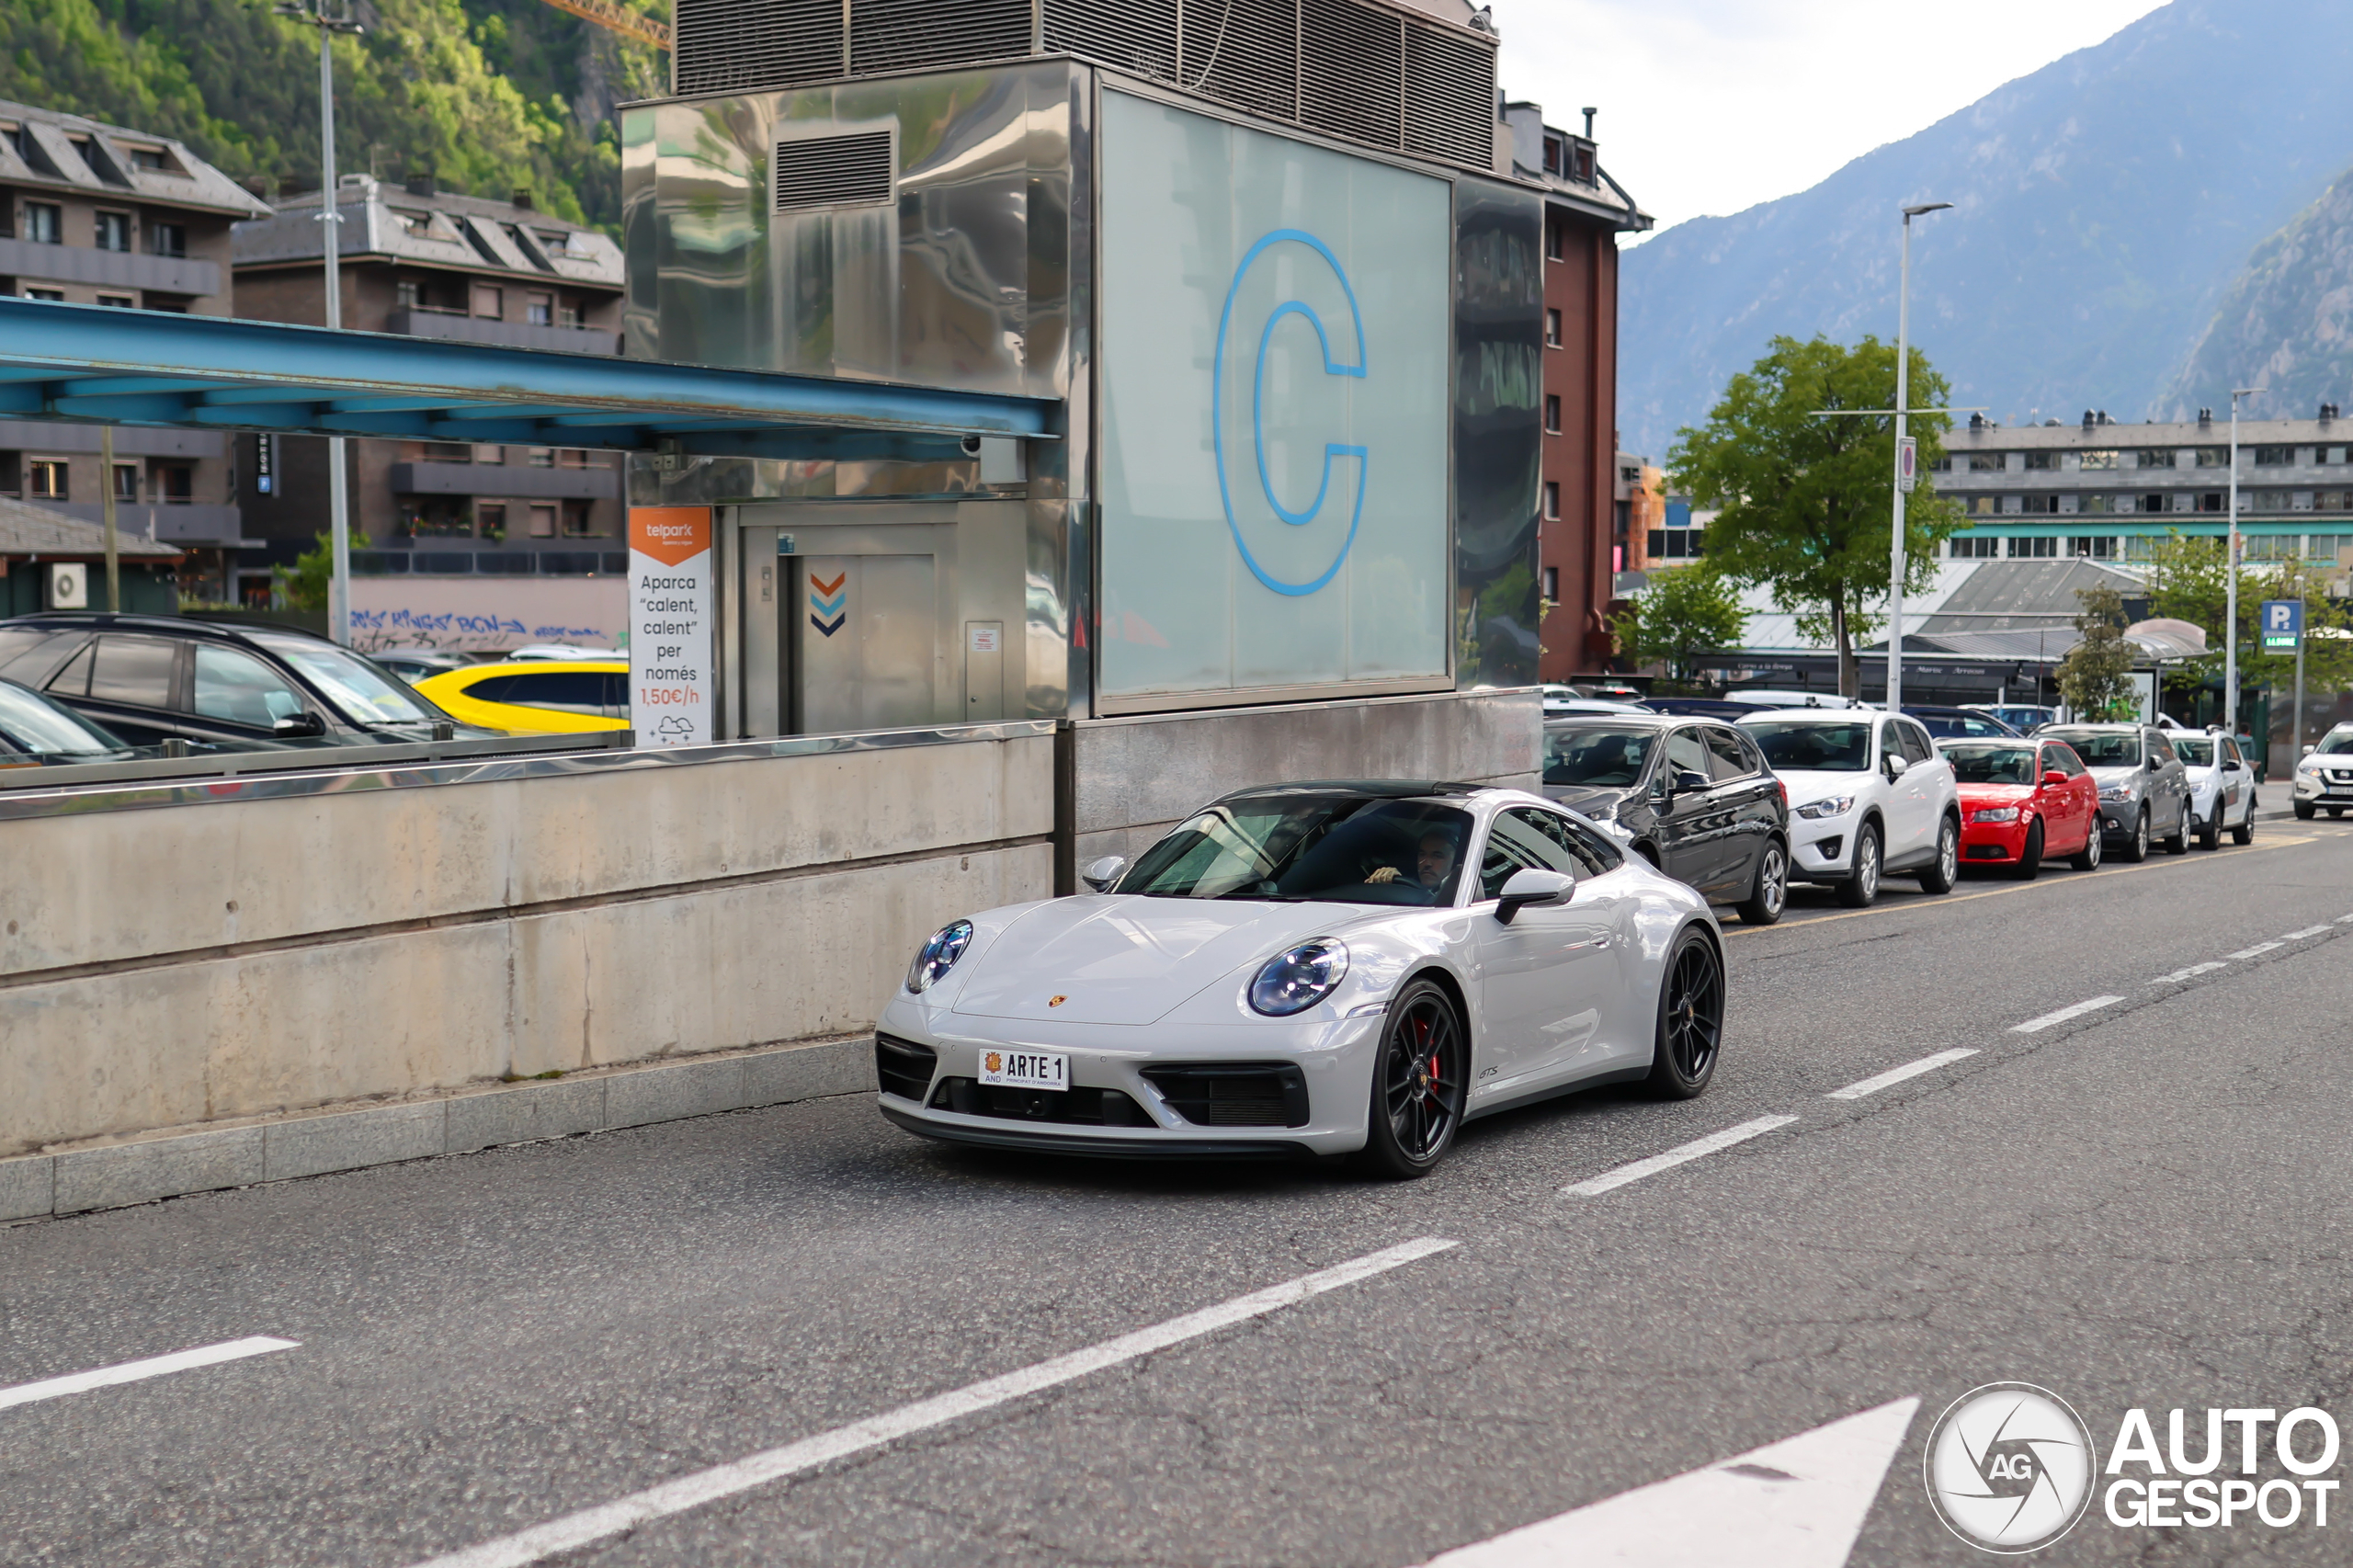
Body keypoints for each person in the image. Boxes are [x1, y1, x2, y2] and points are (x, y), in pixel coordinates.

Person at [1366, 827, 1459, 892]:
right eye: (1422, 854)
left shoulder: (1461, 894)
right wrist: (1386, 881)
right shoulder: (1406, 882)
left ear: (1455, 861)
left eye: (1437, 856)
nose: (1426, 863)